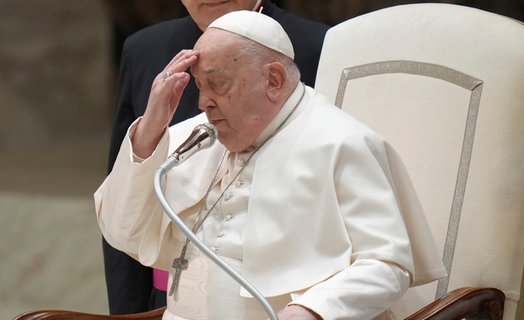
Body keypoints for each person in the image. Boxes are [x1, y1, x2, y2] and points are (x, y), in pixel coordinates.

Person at [96, 10, 445, 320]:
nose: (203, 103)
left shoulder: (341, 142)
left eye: (218, 85)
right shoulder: (193, 137)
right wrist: (148, 135)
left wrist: (313, 309)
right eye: (200, 86)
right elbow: (121, 231)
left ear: (273, 81)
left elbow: (388, 265)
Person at [103, 0, 330, 314]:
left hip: (279, 300)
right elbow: (125, 195)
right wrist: (127, 312)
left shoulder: (321, 45)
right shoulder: (144, 48)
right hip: (170, 297)